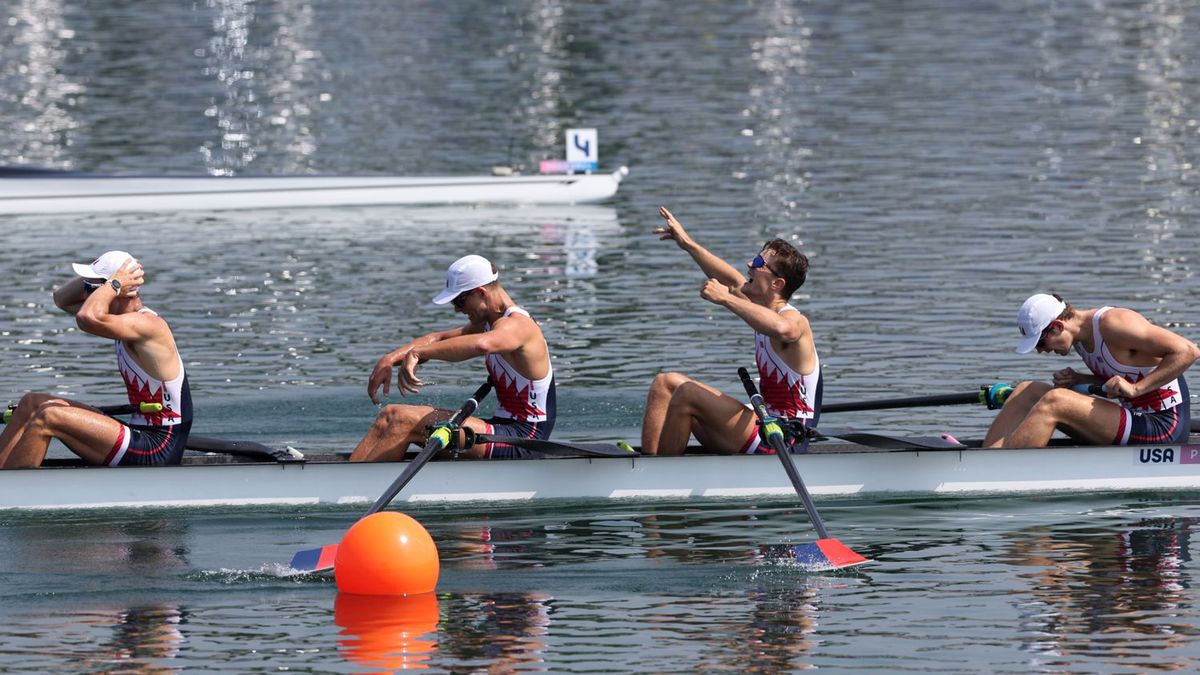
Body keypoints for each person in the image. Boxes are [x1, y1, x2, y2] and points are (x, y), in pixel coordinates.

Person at [640, 206, 820, 455]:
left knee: (688, 394)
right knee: (665, 383)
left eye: (758, 263)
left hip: (785, 437)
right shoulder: (759, 307)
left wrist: (725, 300)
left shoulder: (795, 320)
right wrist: (688, 244)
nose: (749, 263)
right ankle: (647, 465)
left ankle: (660, 478)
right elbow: (732, 281)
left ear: (777, 283)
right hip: (764, 424)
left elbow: (782, 328)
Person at [349, 254, 556, 461]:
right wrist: (389, 359)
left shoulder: (518, 326)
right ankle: (349, 480)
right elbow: (436, 338)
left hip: (525, 438)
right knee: (390, 414)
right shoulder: (490, 322)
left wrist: (418, 353)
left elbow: (481, 344)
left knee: (404, 420)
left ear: (481, 292)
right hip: (500, 428)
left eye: (459, 300)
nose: (457, 308)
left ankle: (362, 489)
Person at [0, 250, 192, 468]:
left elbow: (86, 317)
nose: (87, 294)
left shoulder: (148, 325)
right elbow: (61, 298)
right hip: (139, 432)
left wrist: (114, 283)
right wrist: (106, 281)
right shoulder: (118, 319)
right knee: (32, 403)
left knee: (48, 417)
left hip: (159, 445)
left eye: (91, 288)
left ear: (118, 290)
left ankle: (14, 493)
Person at [984, 293, 1199, 448]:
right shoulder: (1079, 339)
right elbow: (1124, 374)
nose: (1041, 351)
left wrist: (1136, 389)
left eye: (1041, 343)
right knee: (1027, 390)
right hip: (1136, 418)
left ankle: (1008, 472)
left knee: (1055, 401)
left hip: (1164, 426)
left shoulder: (1115, 324)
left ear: (1058, 326)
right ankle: (986, 461)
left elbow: (1188, 351)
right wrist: (1079, 379)